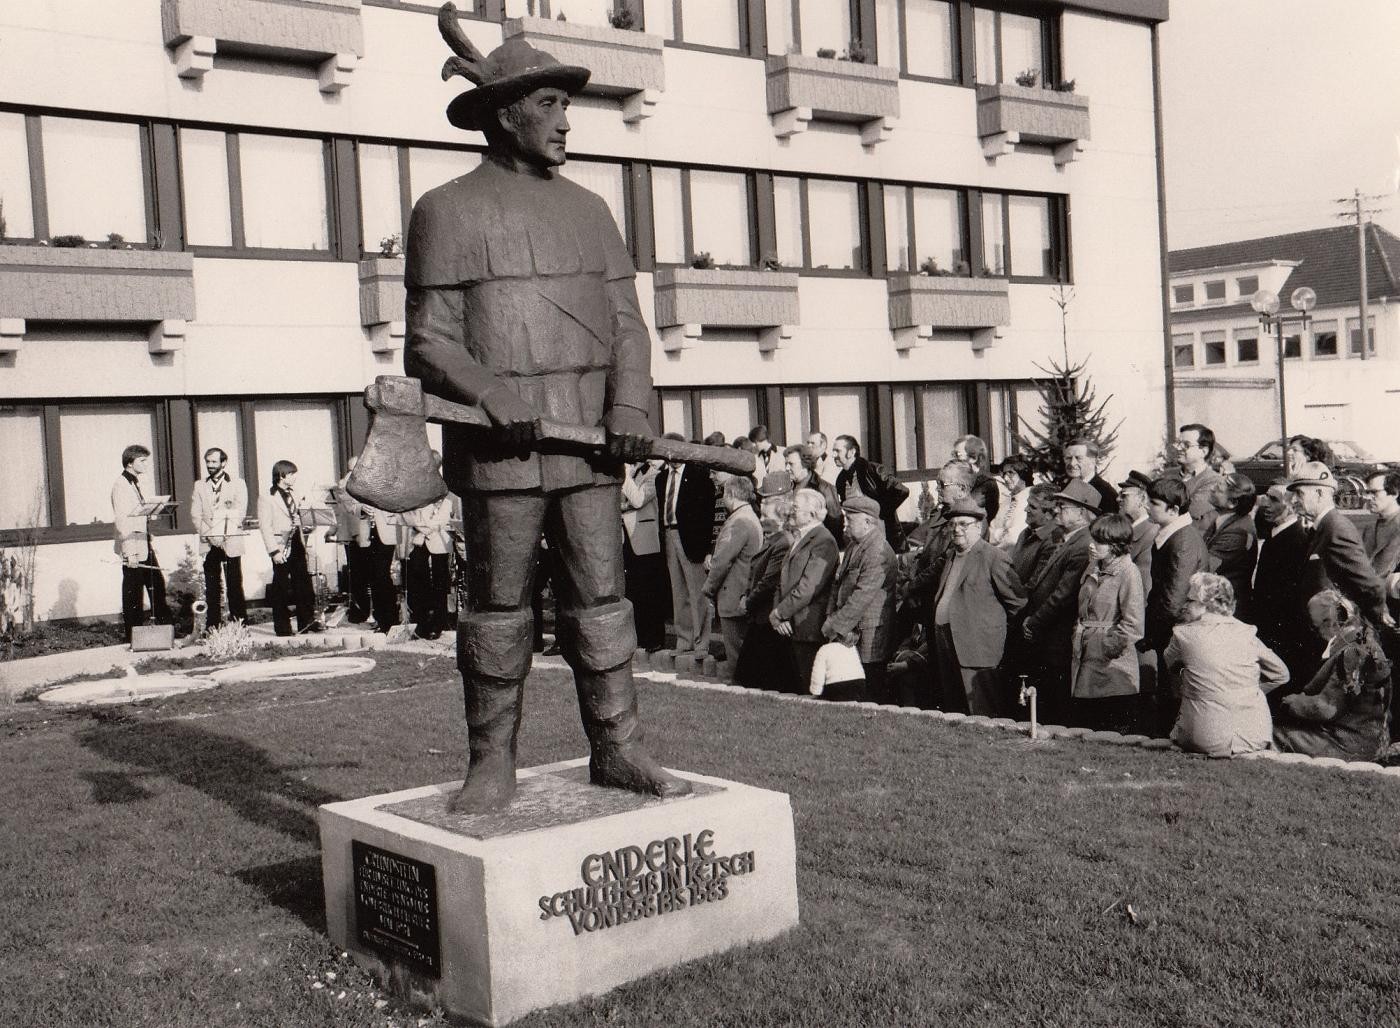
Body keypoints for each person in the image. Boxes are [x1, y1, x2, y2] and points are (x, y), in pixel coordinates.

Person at [403, 21, 690, 811]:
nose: (568, 120)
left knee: (603, 600)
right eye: (552, 102)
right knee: (499, 608)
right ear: (506, 114)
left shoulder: (592, 210)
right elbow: (428, 342)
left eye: (567, 103)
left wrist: (630, 405)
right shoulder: (446, 212)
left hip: (590, 448)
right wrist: (491, 394)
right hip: (500, 454)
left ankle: (619, 746)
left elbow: (628, 324)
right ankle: (492, 760)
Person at [1165, 573, 1289, 757]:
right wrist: (1249, 692)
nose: (1185, 605)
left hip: (1203, 736)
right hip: (1253, 734)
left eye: (1190, 600)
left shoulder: (1182, 635)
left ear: (1205, 604)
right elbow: (1282, 674)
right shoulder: (1247, 633)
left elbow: (1170, 663)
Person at [931, 497, 1025, 715]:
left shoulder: (993, 557)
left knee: (982, 713)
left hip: (979, 650)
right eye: (952, 524)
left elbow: (1018, 603)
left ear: (978, 526)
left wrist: (992, 635)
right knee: (956, 712)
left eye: (963, 524)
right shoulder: (951, 556)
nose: (956, 530)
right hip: (947, 642)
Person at [1273, 590, 1393, 761]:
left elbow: (1327, 708)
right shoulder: (1366, 643)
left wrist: (1294, 702)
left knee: (1272, 733)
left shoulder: (1352, 652)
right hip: (1368, 739)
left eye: (1316, 628)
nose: (1317, 634)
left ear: (1332, 623)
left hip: (1348, 743)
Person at [1019, 479, 1099, 723]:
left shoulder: (1083, 544)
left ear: (1083, 513)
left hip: (1057, 636)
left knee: (1055, 702)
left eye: (1064, 507)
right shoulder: (1067, 539)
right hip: (1047, 634)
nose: (1056, 510)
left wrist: (1034, 622)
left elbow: (1062, 595)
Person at [1137, 476, 1209, 735]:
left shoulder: (1182, 541)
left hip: (1178, 630)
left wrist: (1152, 634)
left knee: (1175, 691)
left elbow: (1173, 598)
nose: (1146, 506)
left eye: (1153, 503)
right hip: (1170, 629)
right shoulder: (1171, 534)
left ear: (1174, 510)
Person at [1289, 462, 1394, 630]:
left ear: (1319, 493)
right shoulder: (1324, 526)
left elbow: (1369, 584)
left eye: (1299, 493)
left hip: (1336, 629)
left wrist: (1377, 621)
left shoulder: (1336, 528)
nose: (1294, 499)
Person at [1070, 513, 1144, 731]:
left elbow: (1133, 622)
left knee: (1108, 721)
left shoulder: (1129, 572)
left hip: (1111, 662)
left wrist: (1108, 648)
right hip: (1087, 652)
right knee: (1086, 719)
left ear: (1115, 545)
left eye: (1099, 541)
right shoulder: (1094, 566)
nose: (1092, 545)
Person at [821, 495, 898, 701]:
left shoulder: (876, 551)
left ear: (867, 522)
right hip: (851, 630)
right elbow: (837, 583)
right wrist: (831, 614)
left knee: (869, 691)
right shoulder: (855, 545)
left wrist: (834, 625)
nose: (845, 523)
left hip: (869, 636)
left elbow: (862, 596)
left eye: (850, 519)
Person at [734, 473, 798, 692]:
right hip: (761, 616)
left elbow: (769, 581)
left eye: (765, 503)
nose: (761, 510)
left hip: (769, 617)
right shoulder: (774, 537)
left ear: (780, 506)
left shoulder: (784, 541)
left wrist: (747, 602)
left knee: (761, 680)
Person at [770, 489, 839, 690]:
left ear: (811, 513)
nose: (791, 511)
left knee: (809, 688)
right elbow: (781, 581)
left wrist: (779, 613)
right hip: (790, 624)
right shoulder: (800, 537)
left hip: (807, 626)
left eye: (796, 507)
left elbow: (808, 588)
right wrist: (778, 615)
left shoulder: (823, 541)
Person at [1253, 479, 1314, 697]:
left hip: (1284, 635)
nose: (1266, 504)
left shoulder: (1295, 541)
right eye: (1266, 497)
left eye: (1274, 499)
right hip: (1271, 630)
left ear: (1291, 506)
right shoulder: (1276, 535)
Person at [656, 446, 715, 656]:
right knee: (678, 591)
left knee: (697, 592)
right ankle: (684, 640)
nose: (672, 457)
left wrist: (708, 547)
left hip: (691, 539)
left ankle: (701, 643)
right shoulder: (661, 478)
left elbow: (707, 514)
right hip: (668, 534)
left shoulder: (698, 476)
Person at [111, 443, 172, 642]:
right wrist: (130, 553)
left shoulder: (135, 483)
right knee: (133, 594)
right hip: (133, 547)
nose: (146, 464)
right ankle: (133, 636)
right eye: (142, 460)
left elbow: (138, 513)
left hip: (144, 544)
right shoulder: (120, 485)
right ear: (130, 463)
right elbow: (122, 522)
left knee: (157, 587)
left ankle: (166, 631)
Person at [703, 476, 762, 671]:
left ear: (731, 495)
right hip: (742, 591)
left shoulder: (739, 521)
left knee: (736, 654)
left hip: (734, 594)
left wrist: (708, 589)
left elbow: (722, 561)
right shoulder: (750, 516)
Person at [258, 460, 324, 637]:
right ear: (281, 475)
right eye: (292, 474)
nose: (295, 477)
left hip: (297, 542)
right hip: (281, 547)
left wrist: (304, 524)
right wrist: (274, 551)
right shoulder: (267, 497)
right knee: (280, 587)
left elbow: (304, 520)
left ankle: (306, 622)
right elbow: (265, 527)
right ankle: (283, 628)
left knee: (303, 584)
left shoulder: (295, 494)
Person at [189, 446, 248, 629]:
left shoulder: (237, 483)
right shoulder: (200, 485)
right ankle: (213, 626)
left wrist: (222, 534)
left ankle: (239, 624)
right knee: (212, 586)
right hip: (209, 542)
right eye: (207, 462)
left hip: (230, 540)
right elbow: (195, 514)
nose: (210, 465)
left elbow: (239, 512)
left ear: (224, 462)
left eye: (214, 461)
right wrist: (210, 535)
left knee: (234, 584)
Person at [403, 451, 454, 640]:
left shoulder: (443, 487)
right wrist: (420, 528)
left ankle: (438, 623)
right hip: (418, 540)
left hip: (438, 540)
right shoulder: (416, 487)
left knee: (439, 584)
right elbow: (409, 512)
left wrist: (427, 529)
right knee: (419, 583)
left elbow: (444, 514)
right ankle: (421, 623)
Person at [620, 458, 666, 651]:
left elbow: (638, 499)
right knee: (633, 590)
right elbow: (621, 501)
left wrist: (624, 475)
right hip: (626, 539)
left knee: (649, 590)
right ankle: (638, 636)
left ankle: (654, 637)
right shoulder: (632, 474)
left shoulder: (653, 475)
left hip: (645, 538)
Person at [832, 434, 909, 547]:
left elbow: (901, 490)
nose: (833, 455)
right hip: (857, 535)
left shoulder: (873, 470)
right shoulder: (841, 480)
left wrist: (880, 512)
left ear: (851, 452)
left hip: (880, 533)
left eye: (837, 451)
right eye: (833, 451)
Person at [1203, 473, 1258, 623]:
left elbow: (1205, 566)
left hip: (1228, 613)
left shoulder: (1238, 533)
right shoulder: (1225, 521)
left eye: (1218, 489)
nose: (1212, 489)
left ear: (1232, 503)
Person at [333, 456, 373, 624]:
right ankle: (363, 610)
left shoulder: (346, 484)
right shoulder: (347, 484)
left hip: (358, 533)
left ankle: (364, 610)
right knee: (361, 574)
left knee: (360, 573)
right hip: (358, 534)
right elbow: (351, 507)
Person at [785, 443, 843, 542]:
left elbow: (835, 526)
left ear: (805, 464)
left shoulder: (824, 489)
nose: (786, 468)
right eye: (786, 464)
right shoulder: (787, 488)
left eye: (791, 464)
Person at [1176, 423, 1224, 534]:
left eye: (1185, 445)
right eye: (1178, 443)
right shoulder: (1166, 475)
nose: (1178, 448)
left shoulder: (1214, 481)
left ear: (1203, 451)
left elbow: (1188, 514)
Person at [1117, 470, 1158, 592]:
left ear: (1143, 499)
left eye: (1124, 495)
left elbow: (1142, 589)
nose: (1117, 498)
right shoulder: (1129, 529)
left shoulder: (1151, 535)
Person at [1008, 483, 1057, 585]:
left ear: (1049, 514)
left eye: (1033, 507)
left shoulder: (1052, 543)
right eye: (1028, 504)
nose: (1026, 509)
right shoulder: (1026, 532)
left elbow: (1033, 586)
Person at [1063, 438, 1118, 514]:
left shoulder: (1106, 493)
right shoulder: (1063, 487)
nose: (1072, 463)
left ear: (1093, 461)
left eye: (1079, 458)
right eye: (1068, 458)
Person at [989, 458, 1032, 548]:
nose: (1005, 478)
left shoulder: (1030, 499)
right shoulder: (1006, 501)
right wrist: (1003, 532)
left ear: (1023, 474)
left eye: (1011, 473)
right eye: (1004, 474)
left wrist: (999, 533)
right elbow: (991, 532)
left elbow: (1014, 538)